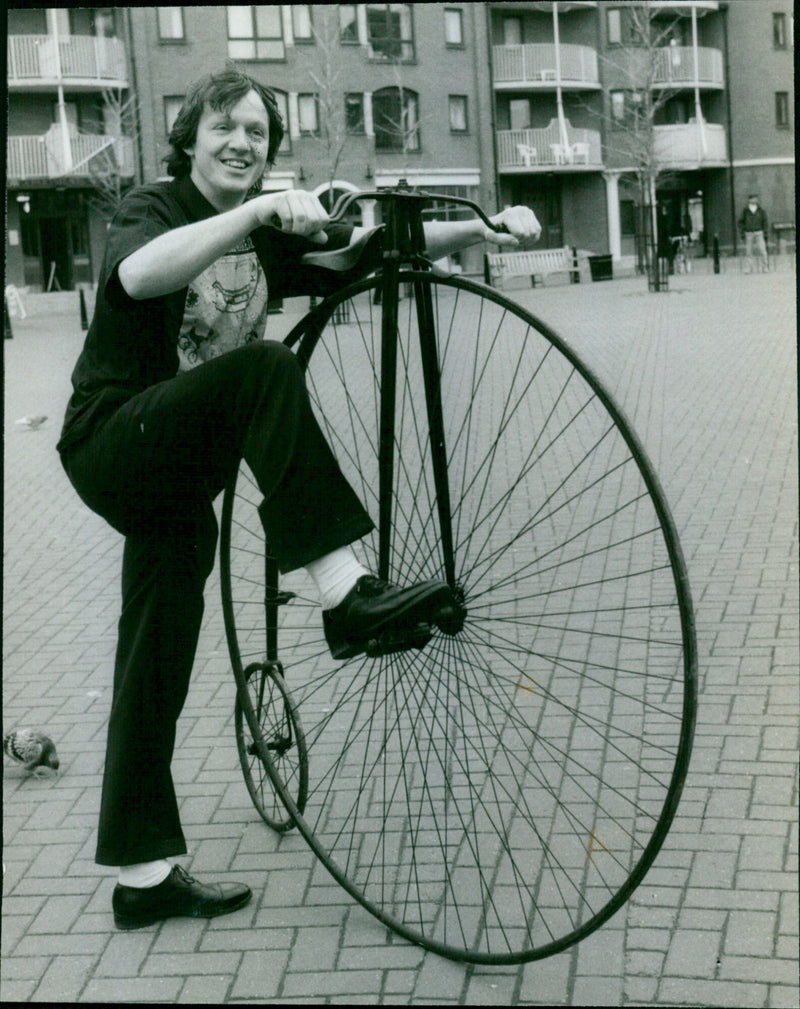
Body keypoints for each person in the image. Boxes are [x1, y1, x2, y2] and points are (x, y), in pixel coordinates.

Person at [56, 67, 541, 930]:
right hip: (113, 441)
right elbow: (137, 275)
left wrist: (481, 228)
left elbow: (368, 248)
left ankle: (142, 874)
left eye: (257, 133)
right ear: (190, 137)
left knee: (154, 657)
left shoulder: (267, 237)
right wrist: (253, 214)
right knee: (267, 366)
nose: (242, 143)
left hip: (179, 481)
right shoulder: (155, 208)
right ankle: (344, 594)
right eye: (225, 127)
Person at [739, 193, 769, 273]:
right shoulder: (745, 211)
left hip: (759, 232)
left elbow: (765, 221)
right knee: (749, 252)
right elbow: (741, 222)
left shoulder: (761, 210)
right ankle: (748, 268)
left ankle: (765, 267)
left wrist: (765, 232)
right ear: (749, 200)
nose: (755, 200)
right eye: (753, 198)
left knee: (762, 250)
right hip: (748, 233)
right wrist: (742, 231)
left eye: (756, 198)